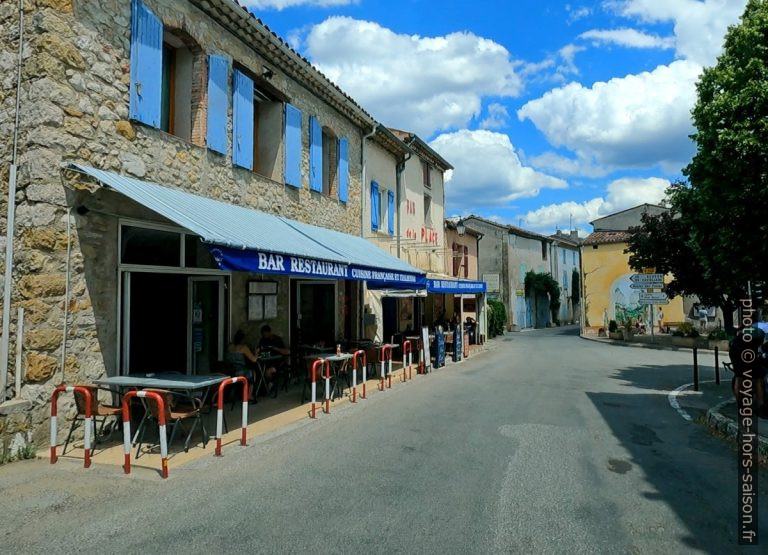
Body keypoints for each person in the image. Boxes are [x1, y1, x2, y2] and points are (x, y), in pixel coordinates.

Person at [226, 330, 260, 402]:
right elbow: (253, 359)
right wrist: (256, 353)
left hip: (231, 371)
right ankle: (249, 395)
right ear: (243, 339)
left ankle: (233, 393)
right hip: (241, 372)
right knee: (253, 373)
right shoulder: (243, 348)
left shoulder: (230, 346)